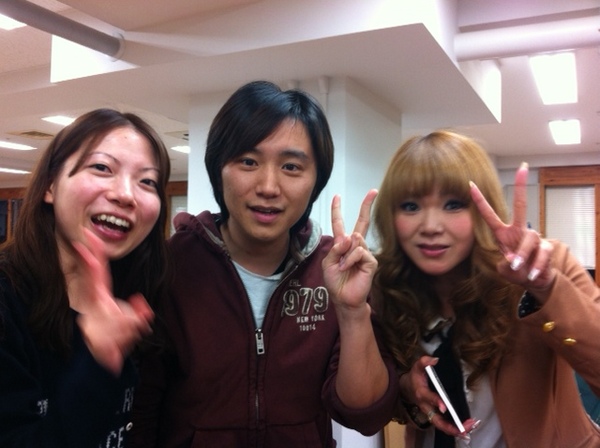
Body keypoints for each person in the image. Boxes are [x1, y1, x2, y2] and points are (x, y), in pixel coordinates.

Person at [130, 80, 398, 447]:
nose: (269, 186)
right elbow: (142, 408)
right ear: (218, 168)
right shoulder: (171, 266)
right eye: (248, 162)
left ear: (315, 180)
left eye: (291, 166)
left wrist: (352, 313)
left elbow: (364, 416)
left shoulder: (333, 270)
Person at [372, 129, 600, 447]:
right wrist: (407, 390)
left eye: (453, 204)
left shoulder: (546, 266)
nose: (431, 226)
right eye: (411, 206)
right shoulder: (387, 288)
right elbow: (380, 403)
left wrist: (547, 289)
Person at [0, 108, 172, 447]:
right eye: (102, 168)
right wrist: (97, 363)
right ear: (50, 185)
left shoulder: (142, 295)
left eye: (147, 181)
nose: (125, 194)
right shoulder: (7, 302)